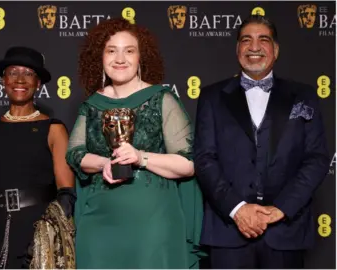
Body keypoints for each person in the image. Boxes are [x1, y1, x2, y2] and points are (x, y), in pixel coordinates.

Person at [66, 18, 204, 269]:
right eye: (111, 50)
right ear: (100, 57)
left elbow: (188, 163)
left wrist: (141, 157)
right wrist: (104, 163)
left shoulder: (161, 99)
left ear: (141, 58)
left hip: (153, 225)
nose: (120, 59)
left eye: (129, 51)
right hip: (99, 223)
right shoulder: (91, 105)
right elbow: (75, 154)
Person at [194, 15, 330, 268]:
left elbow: (317, 158)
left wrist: (281, 209)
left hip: (286, 232)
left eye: (263, 40)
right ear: (237, 50)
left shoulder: (304, 95)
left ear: (275, 50)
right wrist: (237, 209)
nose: (254, 47)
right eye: (246, 40)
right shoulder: (211, 97)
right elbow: (204, 158)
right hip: (228, 231)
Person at [0, 46, 76, 269]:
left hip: (35, 225)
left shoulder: (53, 128)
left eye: (28, 74)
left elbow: (66, 192)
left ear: (38, 84)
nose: (20, 79)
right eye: (13, 72)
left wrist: (49, 235)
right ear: (3, 81)